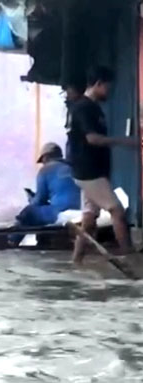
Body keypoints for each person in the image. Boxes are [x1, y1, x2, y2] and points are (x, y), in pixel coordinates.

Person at [69, 65, 135, 261]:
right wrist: (125, 142)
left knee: (89, 220)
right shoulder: (84, 107)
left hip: (93, 171)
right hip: (89, 172)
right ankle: (130, 258)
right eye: (107, 87)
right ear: (98, 84)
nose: (109, 91)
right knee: (117, 211)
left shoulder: (93, 107)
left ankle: (76, 261)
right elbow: (92, 139)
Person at [16, 142, 80, 227]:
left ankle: (10, 239)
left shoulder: (45, 170)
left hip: (61, 213)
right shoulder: (73, 167)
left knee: (28, 212)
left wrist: (31, 199)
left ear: (46, 157)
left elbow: (39, 201)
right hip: (81, 211)